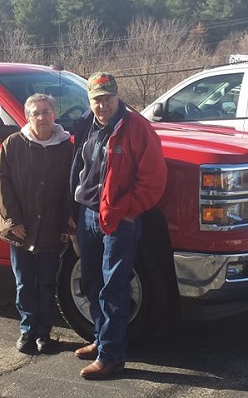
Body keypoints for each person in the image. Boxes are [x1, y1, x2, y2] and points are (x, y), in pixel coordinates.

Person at [69, 72, 167, 379]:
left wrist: (128, 210)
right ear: (90, 100)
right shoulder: (86, 123)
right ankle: (100, 340)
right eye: (97, 100)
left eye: (107, 98)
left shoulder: (137, 127)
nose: (102, 105)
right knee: (91, 282)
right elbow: (77, 167)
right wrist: (72, 208)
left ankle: (111, 356)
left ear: (117, 97)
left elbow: (154, 180)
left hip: (118, 220)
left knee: (114, 287)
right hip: (86, 214)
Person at [0, 93, 73, 354]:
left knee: (48, 283)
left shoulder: (66, 147)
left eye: (47, 111)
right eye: (36, 113)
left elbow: (70, 189)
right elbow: (1, 181)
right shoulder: (13, 144)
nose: (42, 117)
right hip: (21, 230)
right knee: (25, 283)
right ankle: (27, 332)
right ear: (28, 117)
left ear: (54, 114)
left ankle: (44, 334)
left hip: (51, 229)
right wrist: (12, 219)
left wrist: (65, 225)